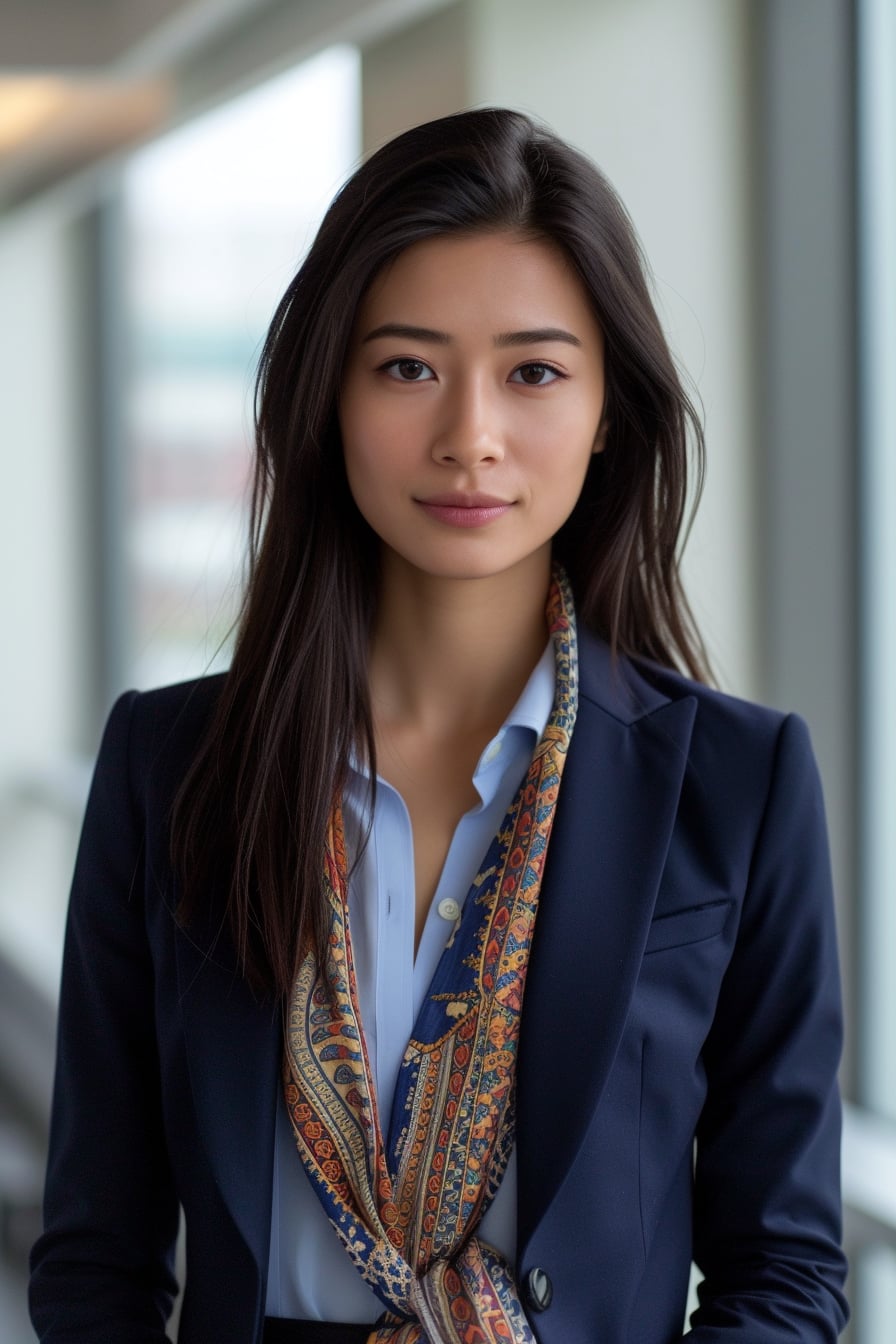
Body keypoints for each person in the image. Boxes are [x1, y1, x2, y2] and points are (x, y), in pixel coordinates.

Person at [29, 107, 848, 1344]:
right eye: (407, 367)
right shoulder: (170, 768)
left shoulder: (735, 783)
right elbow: (98, 1250)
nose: (469, 436)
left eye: (532, 372)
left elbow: (781, 1271)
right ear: (329, 399)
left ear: (607, 409)